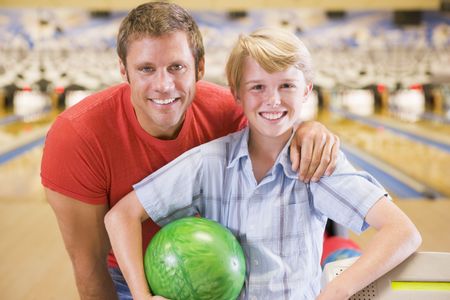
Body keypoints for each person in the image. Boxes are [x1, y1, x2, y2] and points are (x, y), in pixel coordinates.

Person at [40, 2, 341, 299]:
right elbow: (89, 265)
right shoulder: (77, 137)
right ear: (123, 70)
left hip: (224, 269)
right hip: (127, 278)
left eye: (177, 67)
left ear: (200, 67)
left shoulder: (228, 112)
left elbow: (278, 128)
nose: (164, 85)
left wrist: (306, 129)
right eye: (146, 69)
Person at [104, 27, 422, 300]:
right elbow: (121, 216)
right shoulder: (210, 161)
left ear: (307, 90)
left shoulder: (317, 165)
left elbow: (403, 232)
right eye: (257, 87)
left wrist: (336, 291)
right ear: (237, 95)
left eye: (287, 86)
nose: (272, 100)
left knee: (341, 251)